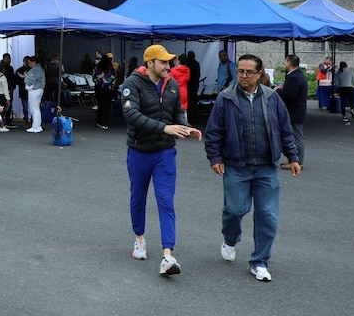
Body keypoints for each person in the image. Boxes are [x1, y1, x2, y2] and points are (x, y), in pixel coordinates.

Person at [205, 54, 301, 282]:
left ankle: (259, 261)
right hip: (236, 166)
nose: (244, 76)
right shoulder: (226, 98)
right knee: (234, 210)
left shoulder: (272, 98)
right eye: (240, 71)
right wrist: (214, 157)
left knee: (268, 215)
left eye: (249, 72)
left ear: (259, 74)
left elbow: (285, 130)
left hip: (266, 167)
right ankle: (230, 239)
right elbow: (214, 131)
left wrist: (293, 156)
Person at [120, 45, 201, 276]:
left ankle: (168, 256)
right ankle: (139, 239)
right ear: (150, 63)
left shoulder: (172, 84)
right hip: (139, 151)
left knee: (166, 201)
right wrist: (165, 128)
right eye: (163, 62)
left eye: (169, 62)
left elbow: (177, 114)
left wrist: (186, 128)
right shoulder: (132, 84)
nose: (168, 66)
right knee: (138, 197)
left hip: (165, 152)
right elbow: (131, 115)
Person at [277, 55, 308, 170]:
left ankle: (298, 161)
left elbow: (290, 95)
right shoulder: (298, 75)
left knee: (296, 137)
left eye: (285, 61)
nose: (284, 63)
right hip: (297, 111)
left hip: (294, 111)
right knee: (295, 135)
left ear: (289, 63)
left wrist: (279, 91)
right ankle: (294, 159)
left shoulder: (294, 77)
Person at [93, 54, 116, 130]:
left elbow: (94, 78)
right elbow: (113, 78)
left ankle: (99, 121)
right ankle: (104, 123)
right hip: (108, 89)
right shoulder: (111, 68)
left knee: (100, 105)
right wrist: (107, 80)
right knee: (107, 106)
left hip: (99, 88)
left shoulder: (97, 68)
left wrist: (100, 79)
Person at [24, 56, 45, 133]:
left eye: (30, 62)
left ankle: (35, 126)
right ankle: (38, 126)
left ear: (34, 62)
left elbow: (29, 81)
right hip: (40, 89)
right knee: (36, 108)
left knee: (34, 109)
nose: (29, 64)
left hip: (34, 90)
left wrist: (26, 77)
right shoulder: (40, 69)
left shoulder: (34, 70)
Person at [185, 51, 201, 124]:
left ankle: (190, 118)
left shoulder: (187, 64)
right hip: (195, 85)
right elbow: (198, 75)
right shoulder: (197, 64)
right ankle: (194, 118)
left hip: (188, 86)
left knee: (189, 102)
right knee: (194, 102)